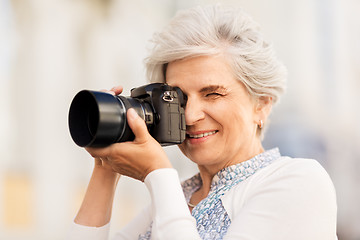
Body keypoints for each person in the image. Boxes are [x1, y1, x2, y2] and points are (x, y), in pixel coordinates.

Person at [68, 4, 337, 240]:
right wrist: (105, 166)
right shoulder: (180, 195)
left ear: (261, 104)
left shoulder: (299, 182)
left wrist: (157, 173)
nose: (190, 115)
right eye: (179, 98)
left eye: (213, 94)